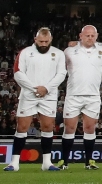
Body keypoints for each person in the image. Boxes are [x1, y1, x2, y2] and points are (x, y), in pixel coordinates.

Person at [5, 27, 66, 172]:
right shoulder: (26, 53)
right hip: (29, 95)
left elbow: (62, 73)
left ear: (50, 40)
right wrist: (34, 89)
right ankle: (14, 163)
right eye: (41, 41)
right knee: (22, 127)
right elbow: (18, 73)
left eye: (46, 41)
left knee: (48, 127)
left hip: (49, 96)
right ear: (35, 40)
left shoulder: (58, 54)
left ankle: (46, 163)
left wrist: (46, 88)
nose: (44, 44)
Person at [59, 25, 102, 170]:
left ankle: (89, 161)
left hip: (93, 96)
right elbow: (59, 68)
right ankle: (64, 161)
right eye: (87, 35)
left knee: (90, 128)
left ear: (96, 36)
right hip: (73, 95)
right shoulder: (70, 51)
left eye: (92, 35)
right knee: (69, 127)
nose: (90, 38)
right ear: (81, 36)